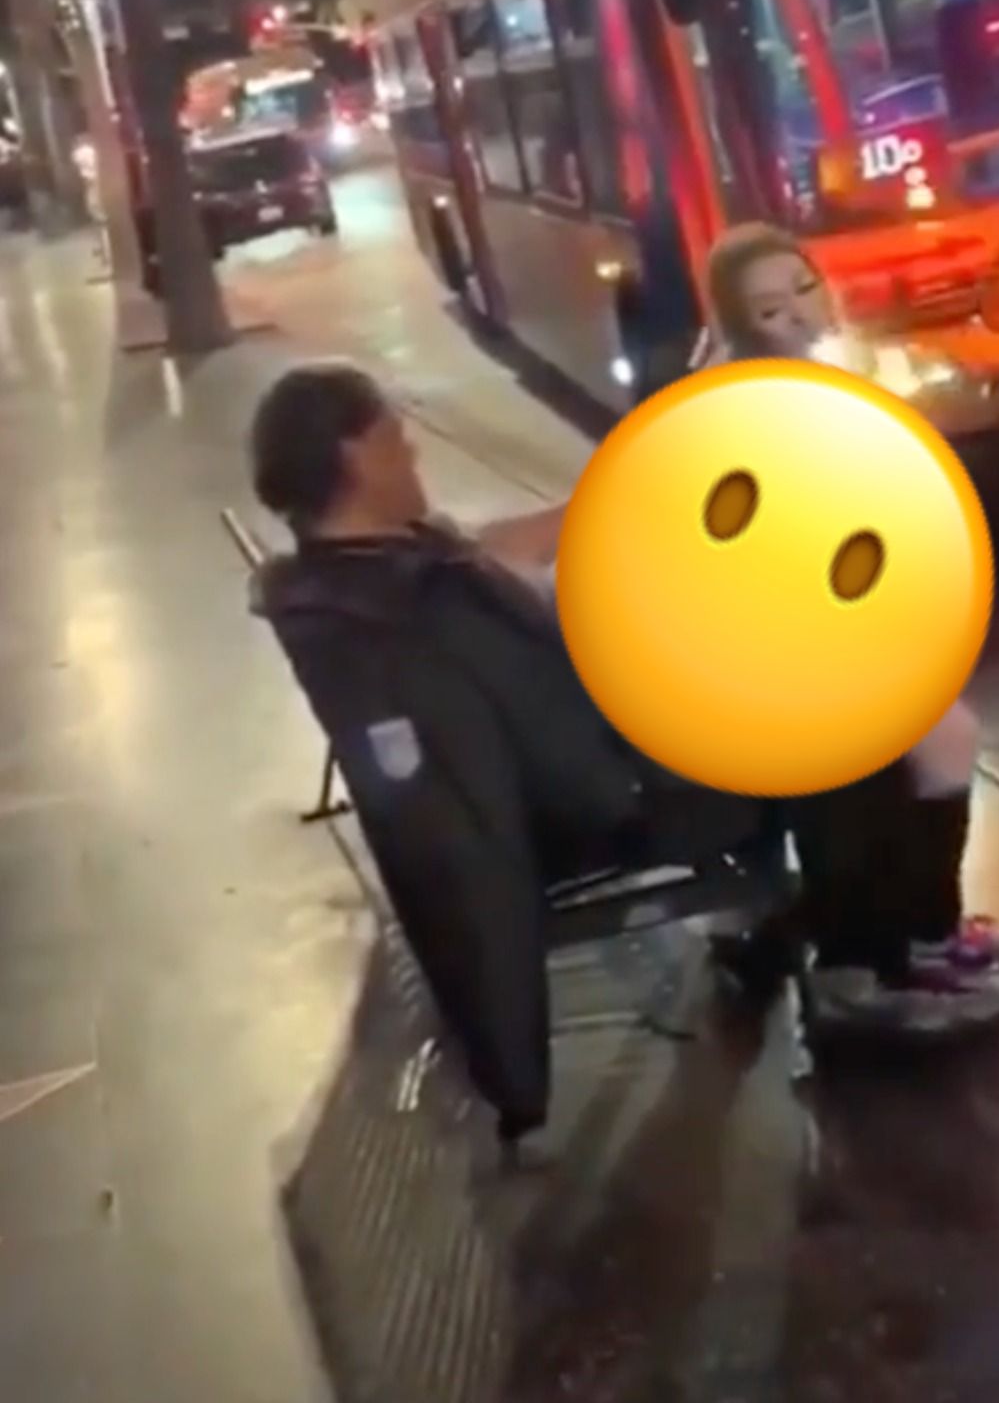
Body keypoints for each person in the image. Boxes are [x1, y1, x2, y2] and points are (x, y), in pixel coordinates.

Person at [247, 362, 781, 1147]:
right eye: (396, 435)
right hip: (626, 801)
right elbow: (558, 785)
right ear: (355, 454)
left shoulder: (355, 574)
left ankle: (800, 933)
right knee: (832, 714)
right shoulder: (416, 619)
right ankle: (875, 956)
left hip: (600, 759)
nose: (412, 450)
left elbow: (479, 551)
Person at [696, 221, 999, 1015]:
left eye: (803, 287)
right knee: (911, 745)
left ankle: (921, 934)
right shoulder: (744, 400)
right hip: (773, 652)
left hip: (835, 630)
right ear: (740, 323)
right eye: (769, 308)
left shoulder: (826, 371)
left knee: (945, 735)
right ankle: (878, 953)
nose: (798, 312)